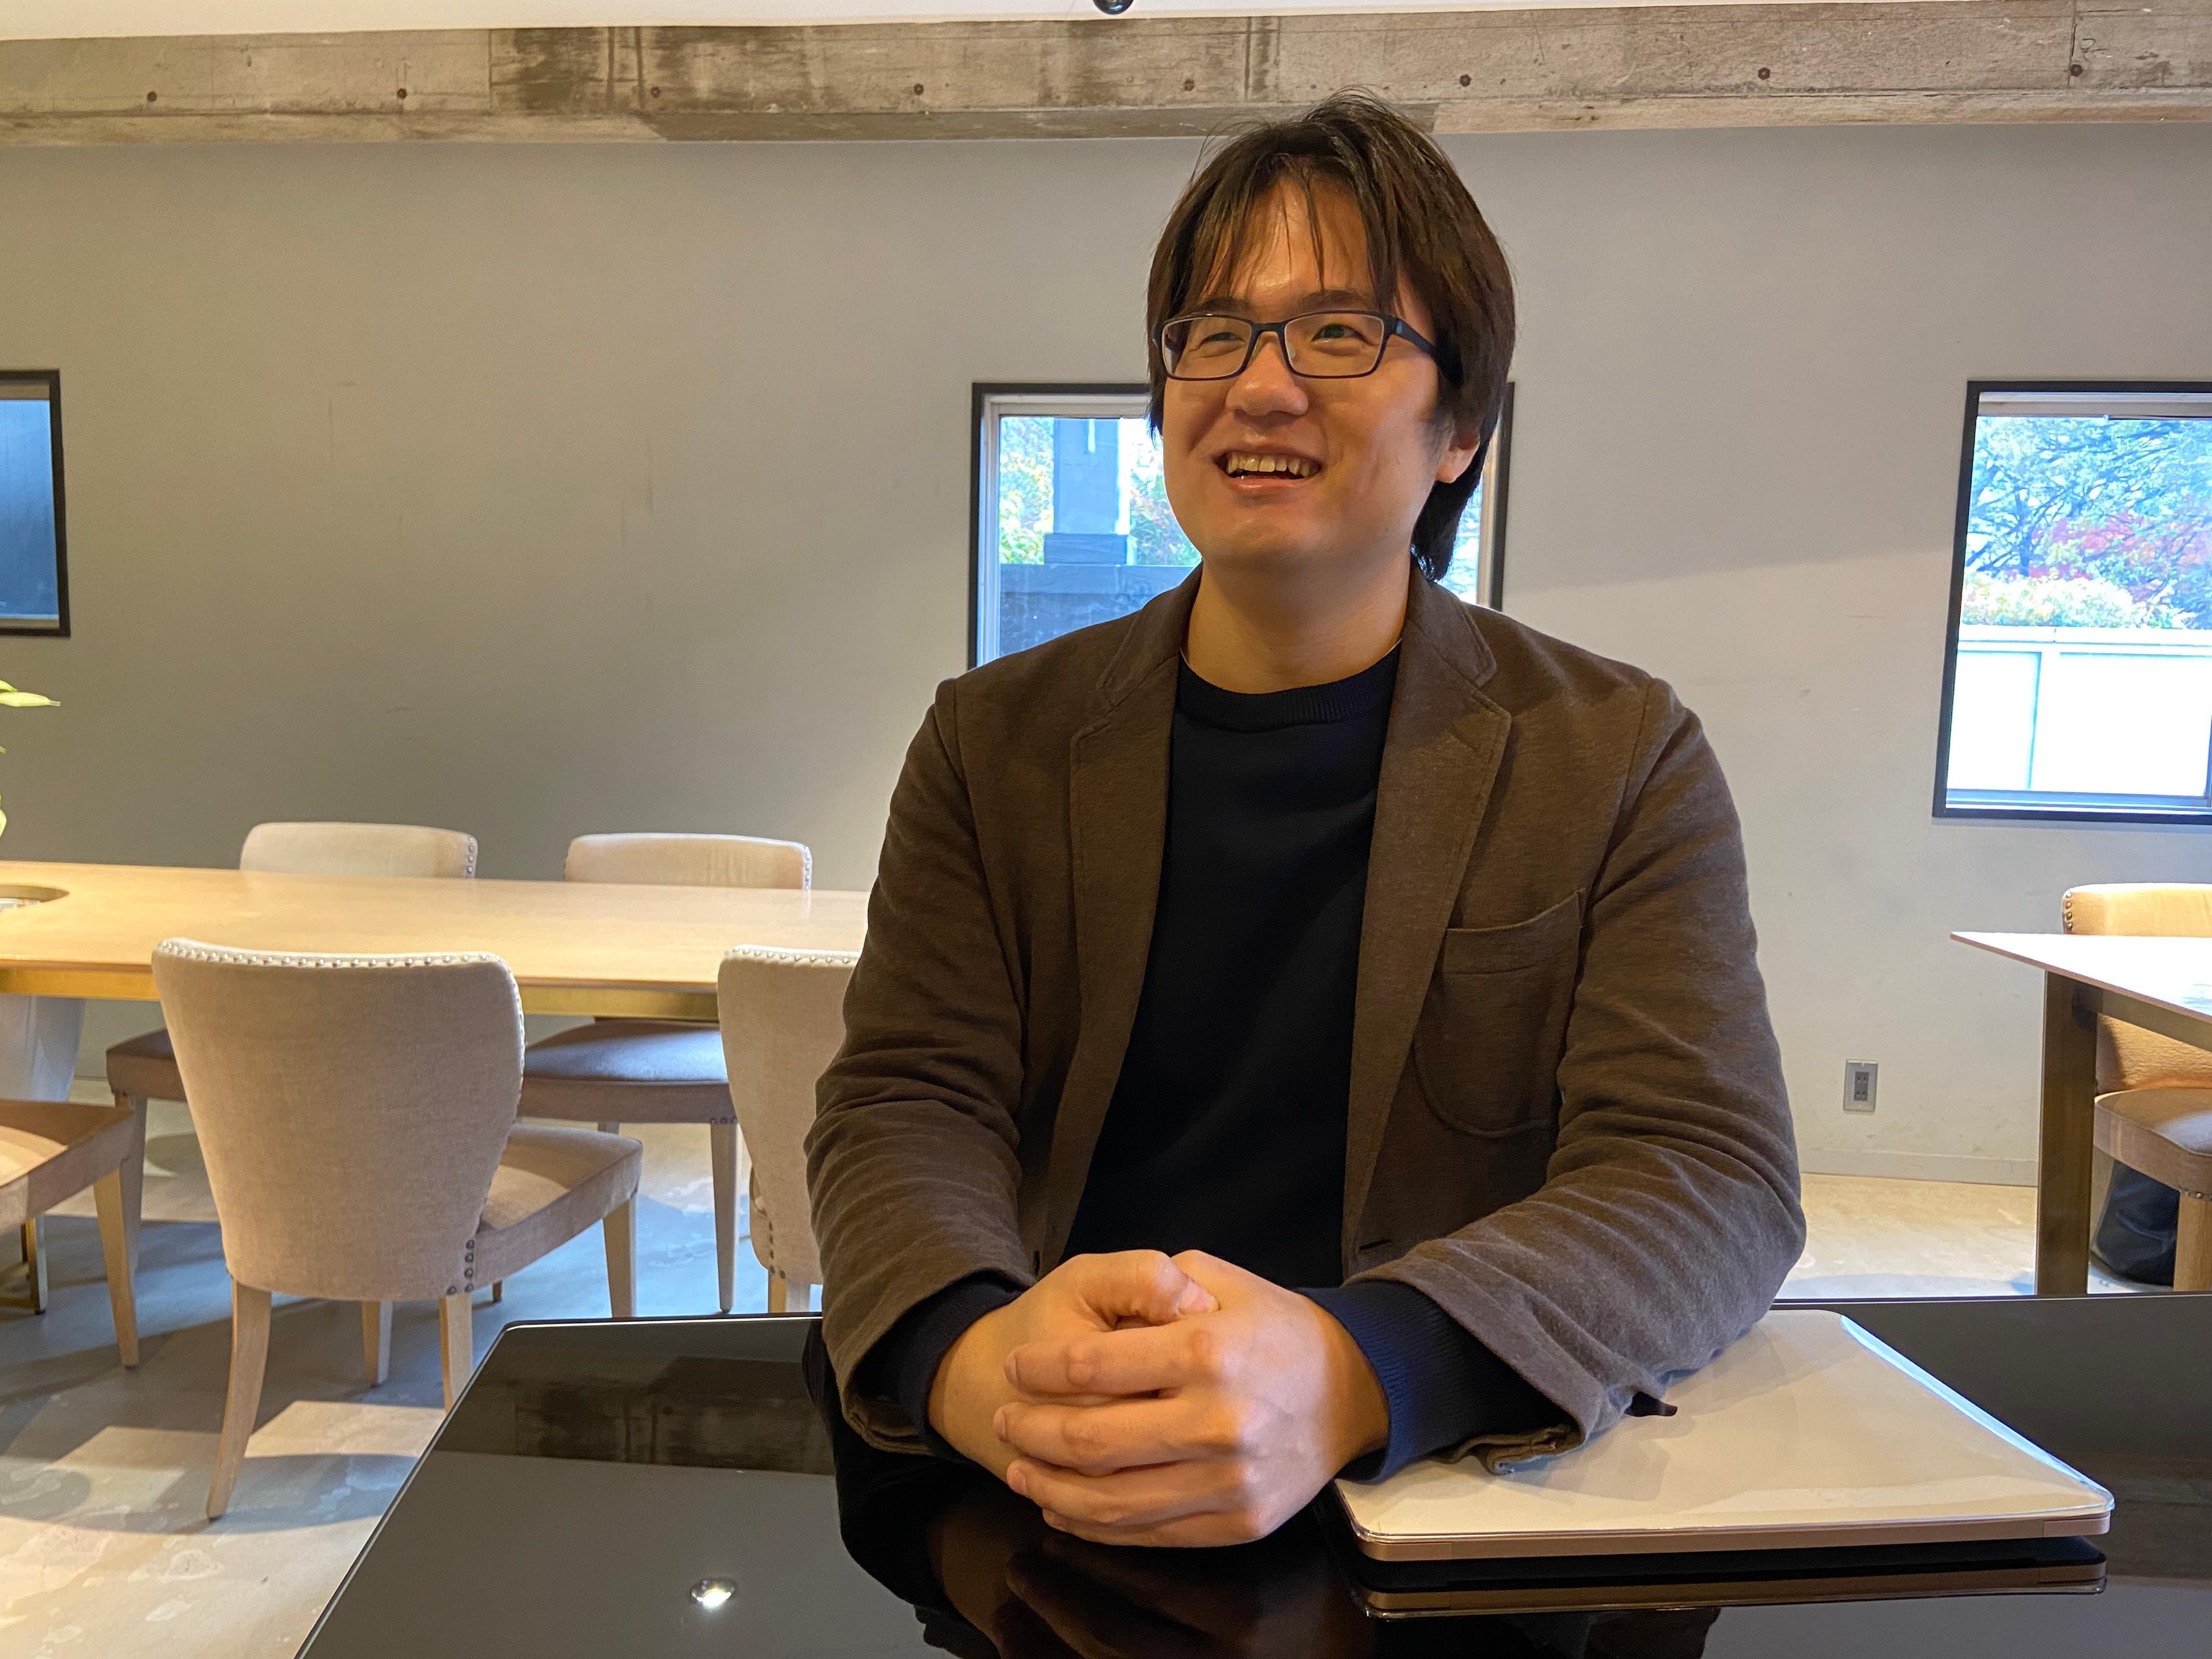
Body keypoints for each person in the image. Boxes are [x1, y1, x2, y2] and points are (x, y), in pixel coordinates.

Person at [808, 91, 1803, 1550]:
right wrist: (975, 1358)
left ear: (1461, 427)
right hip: (1047, 1480)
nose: (1260, 387)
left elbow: (1707, 1172)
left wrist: (1356, 1367)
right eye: (1215, 333)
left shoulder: (1614, 754)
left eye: (1340, 332)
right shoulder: (993, 741)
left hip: (1445, 1489)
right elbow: (905, 1101)